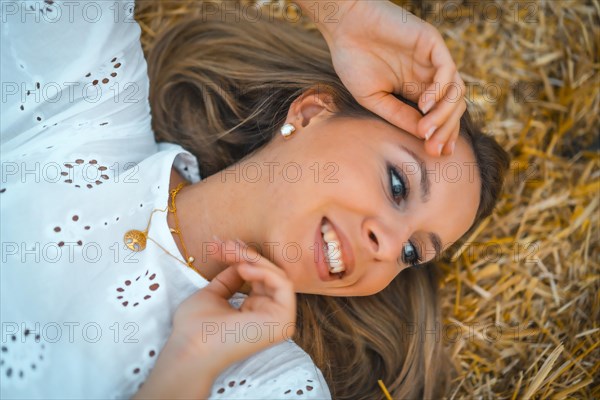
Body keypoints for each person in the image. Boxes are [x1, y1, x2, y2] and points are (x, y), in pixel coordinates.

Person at [0, 1, 508, 399]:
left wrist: (190, 365)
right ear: (310, 113)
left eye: (412, 253)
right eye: (397, 184)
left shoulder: (277, 386)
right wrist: (344, 13)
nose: (387, 245)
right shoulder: (86, 102)